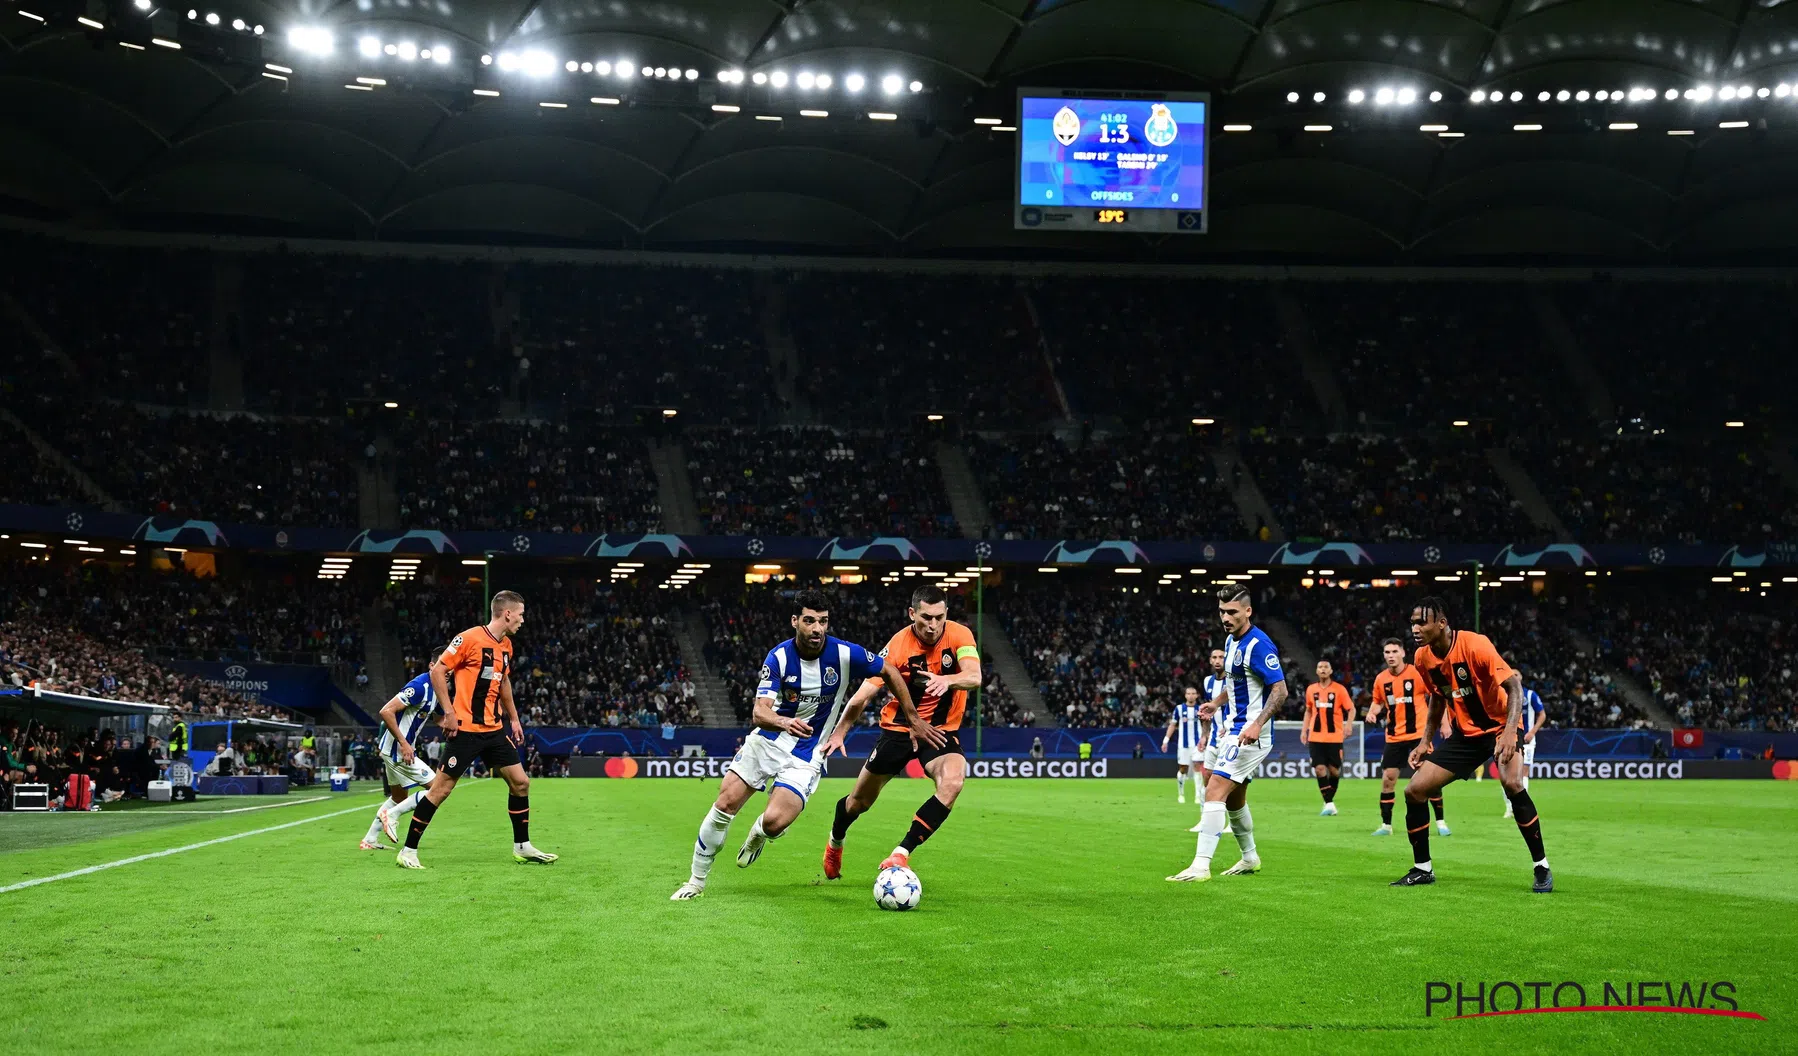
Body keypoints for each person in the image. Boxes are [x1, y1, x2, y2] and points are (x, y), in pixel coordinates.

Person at [670, 590, 932, 900]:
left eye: (823, 621)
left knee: (774, 821)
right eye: (809, 621)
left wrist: (913, 717)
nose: (817, 628)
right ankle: (695, 882)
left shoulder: (846, 654)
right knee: (725, 804)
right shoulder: (779, 657)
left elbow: (888, 669)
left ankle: (760, 834)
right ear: (795, 621)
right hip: (767, 742)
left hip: (807, 753)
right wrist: (783, 722)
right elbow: (759, 711)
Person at [1392, 597, 1552, 893]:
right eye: (1412, 622)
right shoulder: (1422, 658)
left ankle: (1541, 866)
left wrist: (1507, 732)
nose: (1415, 628)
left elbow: (1514, 687)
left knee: (1513, 784)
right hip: (1466, 735)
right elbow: (1438, 697)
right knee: (1414, 790)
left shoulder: (1475, 645)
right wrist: (1425, 740)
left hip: (1501, 726)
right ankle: (1422, 869)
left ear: (1441, 623)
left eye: (1421, 622)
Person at [819, 585, 971, 879]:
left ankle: (900, 853)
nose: (932, 625)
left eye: (939, 617)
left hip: (938, 732)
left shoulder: (960, 635)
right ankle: (835, 841)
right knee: (858, 803)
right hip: (898, 730)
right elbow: (862, 696)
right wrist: (839, 733)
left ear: (946, 614)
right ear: (912, 613)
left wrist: (948, 681)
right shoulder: (898, 647)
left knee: (953, 782)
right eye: (926, 617)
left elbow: (974, 676)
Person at [398, 590, 557, 868]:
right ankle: (408, 851)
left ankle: (523, 846)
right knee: (440, 790)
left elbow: (503, 681)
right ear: (507, 614)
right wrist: (448, 712)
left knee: (521, 783)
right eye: (520, 614)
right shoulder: (468, 639)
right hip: (466, 731)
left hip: (494, 730)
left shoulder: (506, 645)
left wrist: (515, 719)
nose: (522, 620)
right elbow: (438, 671)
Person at [1167, 586, 1286, 883]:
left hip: (1248, 734)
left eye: (1232, 611)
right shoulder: (1232, 641)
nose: (1225, 617)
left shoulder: (1259, 645)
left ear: (1248, 611)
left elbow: (1280, 691)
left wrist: (1257, 724)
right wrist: (1215, 703)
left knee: (1214, 788)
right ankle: (1250, 858)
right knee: (1234, 800)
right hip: (1231, 729)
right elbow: (1235, 685)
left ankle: (1200, 865)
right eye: (1222, 611)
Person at [1364, 637, 1447, 837]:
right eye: (1387, 652)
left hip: (1419, 736)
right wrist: (1372, 712)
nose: (1391, 656)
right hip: (1394, 737)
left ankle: (1441, 822)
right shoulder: (1381, 679)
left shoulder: (1418, 673)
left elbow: (1437, 696)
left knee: (1430, 780)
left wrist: (1444, 723)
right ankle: (1386, 826)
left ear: (1402, 653)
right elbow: (1378, 702)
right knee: (1388, 780)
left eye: (1394, 651)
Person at [360, 670, 441, 850]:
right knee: (438, 788)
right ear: (432, 665)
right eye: (443, 666)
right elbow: (386, 711)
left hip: (394, 751)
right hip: (398, 750)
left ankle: (370, 839)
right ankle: (392, 815)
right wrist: (404, 743)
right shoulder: (420, 686)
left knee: (398, 796)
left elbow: (441, 719)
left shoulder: (438, 690)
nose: (448, 672)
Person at [1300, 659, 1354, 816]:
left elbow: (1351, 709)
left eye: (1326, 667)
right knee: (1319, 768)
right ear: (1317, 671)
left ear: (1331, 671)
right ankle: (1329, 803)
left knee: (1334, 771)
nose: (1323, 669)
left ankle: (1328, 803)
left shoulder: (1339, 690)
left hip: (1334, 737)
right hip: (1316, 737)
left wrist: (1348, 725)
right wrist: (1304, 730)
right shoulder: (1311, 690)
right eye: (1320, 667)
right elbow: (1309, 711)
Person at [1503, 685, 1547, 818]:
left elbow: (1542, 714)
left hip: (1527, 739)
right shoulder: (1502, 693)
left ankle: (1521, 807)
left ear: (1520, 678)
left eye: (1517, 674)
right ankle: (1509, 808)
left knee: (1523, 771)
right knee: (1505, 774)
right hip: (1507, 738)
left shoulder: (1530, 695)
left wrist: (1533, 732)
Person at [1161, 685, 1204, 805]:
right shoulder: (1179, 709)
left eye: (1193, 693)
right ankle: (1181, 793)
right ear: (1185, 695)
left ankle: (1198, 795)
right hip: (1183, 745)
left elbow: (1206, 724)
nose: (1191, 695)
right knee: (1183, 769)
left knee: (1197, 767)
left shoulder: (1201, 708)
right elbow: (1172, 725)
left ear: (1196, 695)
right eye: (1188, 693)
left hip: (1197, 744)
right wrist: (1166, 740)